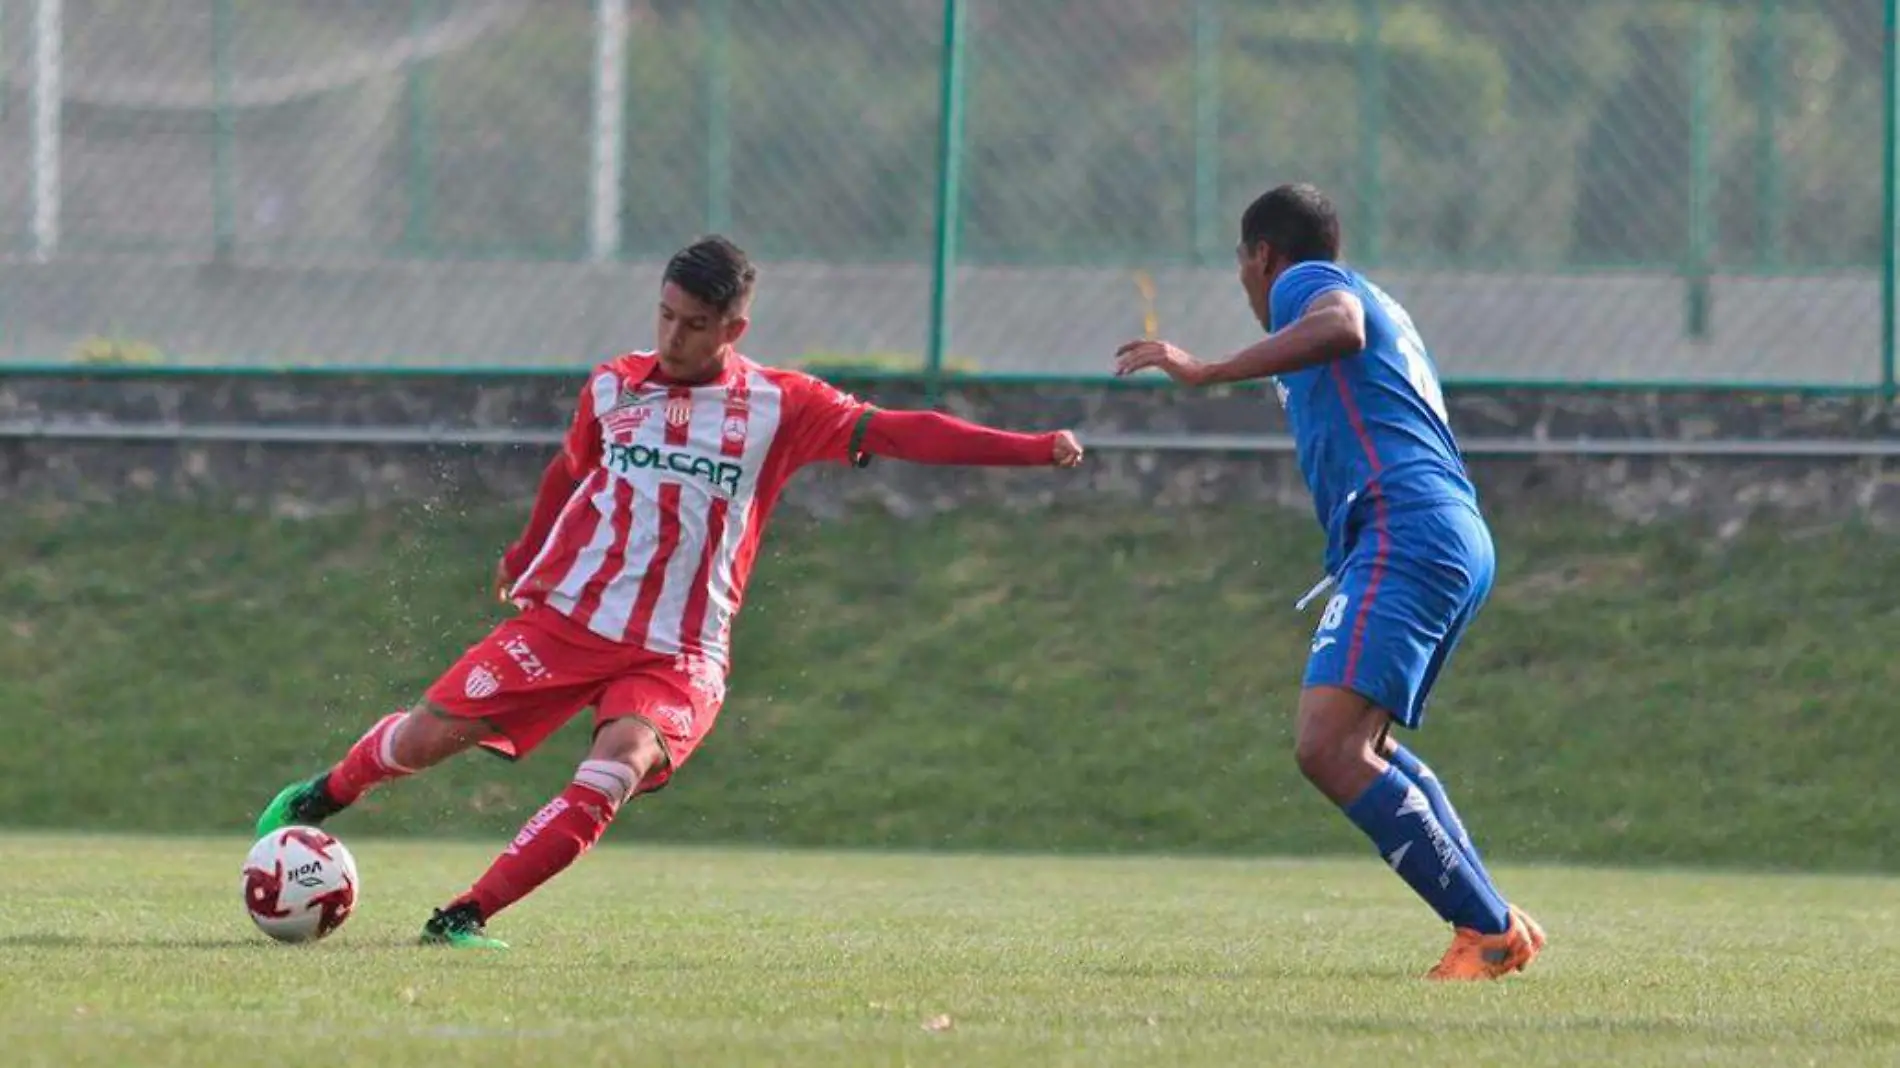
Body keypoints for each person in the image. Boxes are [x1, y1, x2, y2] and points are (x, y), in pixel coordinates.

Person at [256, 235, 1085, 949]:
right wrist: (526, 548)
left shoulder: (782, 405)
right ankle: (325, 794)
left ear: (735, 328)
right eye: (665, 316)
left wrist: (1035, 447)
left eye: (694, 325)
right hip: (570, 621)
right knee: (425, 738)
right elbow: (569, 470)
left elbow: (905, 431)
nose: (674, 337)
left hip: (682, 650)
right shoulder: (614, 385)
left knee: (615, 768)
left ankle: (464, 916)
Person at [1112, 183, 1545, 981]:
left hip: (1409, 527)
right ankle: (1491, 918)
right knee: (1360, 743)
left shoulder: (1307, 287)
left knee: (1326, 747)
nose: (1247, 285)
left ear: (1263, 257)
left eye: (1244, 267)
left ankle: (1485, 929)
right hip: (1440, 528)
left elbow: (1338, 328)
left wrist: (1208, 370)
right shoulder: (1373, 298)